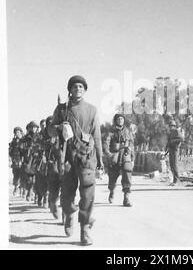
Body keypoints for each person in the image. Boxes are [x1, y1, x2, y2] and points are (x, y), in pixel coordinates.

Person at [48, 75, 103, 246]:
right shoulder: (61, 109)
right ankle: (69, 214)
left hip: (86, 157)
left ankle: (84, 230)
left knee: (87, 195)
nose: (77, 89)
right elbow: (49, 131)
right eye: (74, 86)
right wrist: (59, 127)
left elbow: (97, 136)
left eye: (81, 86)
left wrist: (100, 160)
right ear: (69, 90)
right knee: (66, 197)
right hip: (67, 158)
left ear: (85, 90)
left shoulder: (92, 110)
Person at [103, 113, 135, 207]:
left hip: (125, 154)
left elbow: (132, 145)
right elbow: (105, 145)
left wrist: (132, 158)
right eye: (118, 119)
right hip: (114, 156)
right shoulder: (110, 132)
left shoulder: (128, 132)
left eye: (122, 118)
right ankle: (112, 190)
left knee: (127, 174)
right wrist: (109, 155)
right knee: (112, 178)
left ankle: (126, 197)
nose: (120, 120)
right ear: (115, 120)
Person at [20, 121, 43, 201]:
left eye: (35, 127)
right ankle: (29, 192)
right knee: (30, 179)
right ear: (29, 128)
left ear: (37, 128)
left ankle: (37, 195)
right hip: (29, 160)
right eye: (32, 127)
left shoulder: (39, 137)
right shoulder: (25, 138)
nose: (33, 129)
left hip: (38, 160)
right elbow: (21, 148)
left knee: (38, 179)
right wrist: (27, 150)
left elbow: (43, 146)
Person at [165, 119, 183, 186]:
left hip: (175, 149)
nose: (170, 127)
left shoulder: (176, 131)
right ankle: (174, 180)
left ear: (174, 126)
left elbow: (181, 139)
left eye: (171, 126)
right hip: (171, 150)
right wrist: (166, 148)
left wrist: (173, 141)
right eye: (169, 126)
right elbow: (168, 141)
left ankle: (176, 180)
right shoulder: (170, 133)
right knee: (171, 165)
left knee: (175, 165)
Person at [9, 127, 24, 196]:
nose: (17, 134)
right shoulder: (13, 142)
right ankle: (16, 188)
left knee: (24, 176)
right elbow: (10, 151)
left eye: (18, 132)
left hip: (23, 161)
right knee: (16, 175)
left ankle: (23, 190)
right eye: (16, 132)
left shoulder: (24, 140)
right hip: (15, 161)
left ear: (21, 132)